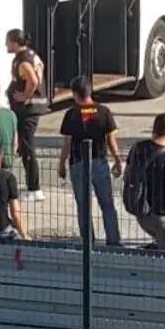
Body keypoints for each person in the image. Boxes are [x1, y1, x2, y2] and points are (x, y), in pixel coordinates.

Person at [59, 75, 124, 246]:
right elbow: (111, 141)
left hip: (78, 163)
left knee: (83, 206)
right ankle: (114, 241)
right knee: (107, 204)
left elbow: (67, 143)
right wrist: (117, 160)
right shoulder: (103, 112)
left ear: (74, 94)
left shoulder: (71, 114)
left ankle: (88, 241)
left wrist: (62, 164)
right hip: (99, 162)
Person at [125, 113, 165, 251]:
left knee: (159, 240)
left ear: (153, 128)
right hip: (163, 218)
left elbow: (127, 174)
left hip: (141, 213)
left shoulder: (138, 148)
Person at [6, 28, 46, 202]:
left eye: (8, 41)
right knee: (24, 147)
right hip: (29, 109)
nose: (6, 45)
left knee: (27, 148)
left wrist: (25, 96)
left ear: (15, 42)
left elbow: (33, 80)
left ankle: (34, 188)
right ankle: (32, 185)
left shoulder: (23, 60)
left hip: (28, 110)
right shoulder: (31, 55)